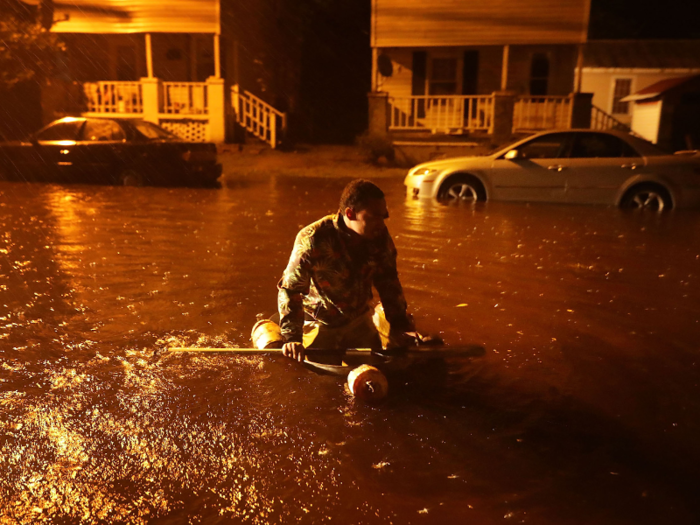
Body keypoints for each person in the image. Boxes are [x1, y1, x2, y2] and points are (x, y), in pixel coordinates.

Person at [277, 179, 417, 362]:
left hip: (359, 319)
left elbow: (389, 282)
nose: (381, 224)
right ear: (350, 214)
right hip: (321, 323)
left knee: (381, 366)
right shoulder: (312, 239)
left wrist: (400, 327)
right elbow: (291, 289)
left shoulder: (379, 237)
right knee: (321, 379)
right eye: (374, 217)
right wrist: (292, 338)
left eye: (383, 217)